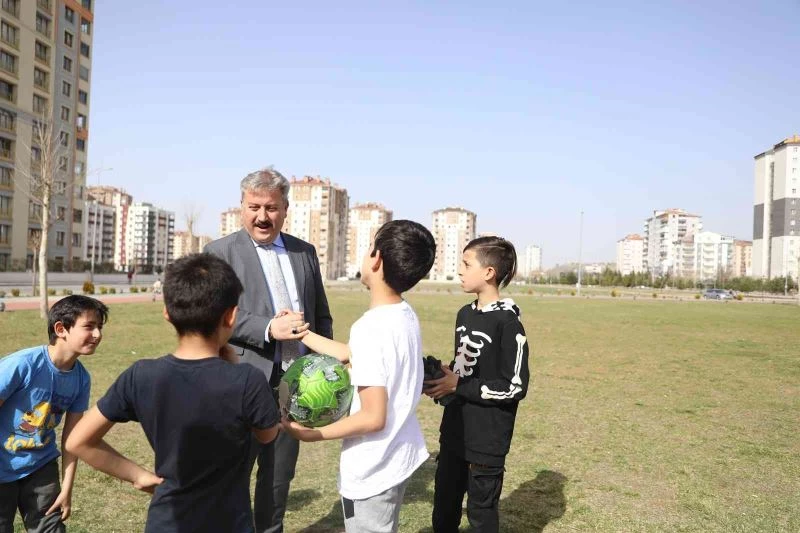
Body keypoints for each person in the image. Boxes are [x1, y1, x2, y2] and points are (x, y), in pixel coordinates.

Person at [65, 253, 280, 533]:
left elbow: (77, 442)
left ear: (166, 311)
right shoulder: (248, 380)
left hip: (166, 522)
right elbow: (267, 434)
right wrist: (234, 365)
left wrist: (139, 476)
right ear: (231, 316)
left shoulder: (140, 375)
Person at [283, 219, 436, 533]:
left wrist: (313, 434)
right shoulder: (403, 315)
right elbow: (353, 354)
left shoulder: (371, 327)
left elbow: (373, 416)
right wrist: (302, 334)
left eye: (369, 248)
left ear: (376, 259)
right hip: (396, 456)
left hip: (374, 468)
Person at [204, 167, 333, 533]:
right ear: (241, 207)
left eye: (271, 208)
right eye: (254, 207)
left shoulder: (304, 252)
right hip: (240, 381)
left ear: (286, 208)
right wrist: (267, 327)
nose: (263, 216)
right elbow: (212, 313)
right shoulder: (219, 252)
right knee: (233, 472)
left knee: (278, 478)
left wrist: (321, 370)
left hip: (295, 384)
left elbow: (321, 314)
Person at [424, 236, 531, 533]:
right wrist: (442, 380)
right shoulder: (464, 314)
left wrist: (459, 384)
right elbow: (463, 371)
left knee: (481, 514)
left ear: (489, 273)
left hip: (487, 439)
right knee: (444, 507)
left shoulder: (508, 324)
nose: (459, 270)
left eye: (466, 264)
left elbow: (515, 385)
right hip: (455, 430)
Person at [0, 295, 109, 533]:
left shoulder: (81, 379)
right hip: (2, 465)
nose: (97, 334)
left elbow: (73, 439)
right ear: (61, 329)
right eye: (89, 326)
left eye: (99, 327)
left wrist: (67, 488)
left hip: (41, 465)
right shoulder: (22, 365)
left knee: (50, 528)